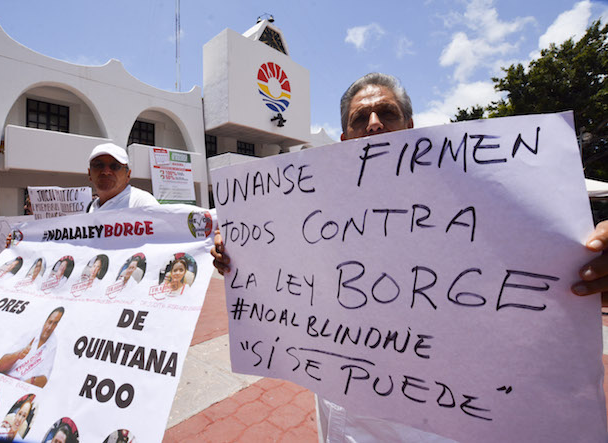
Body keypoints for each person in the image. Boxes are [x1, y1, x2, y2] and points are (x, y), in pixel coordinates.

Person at [211, 72, 608, 442]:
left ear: (409, 126)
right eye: (359, 118)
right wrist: (238, 258)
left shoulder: (474, 201)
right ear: (346, 138)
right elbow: (278, 269)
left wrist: (591, 265)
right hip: (343, 409)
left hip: (440, 413)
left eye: (387, 113)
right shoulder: (307, 212)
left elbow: (541, 265)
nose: (373, 123)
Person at [0, 307, 64, 387]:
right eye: (50, 322)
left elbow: (44, 378)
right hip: (4, 381)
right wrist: (17, 355)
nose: (50, 327)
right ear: (45, 321)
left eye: (55, 323)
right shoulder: (30, 332)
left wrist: (29, 382)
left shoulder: (53, 343)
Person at [87, 143, 158, 212]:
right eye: (98, 165)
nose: (106, 172)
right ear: (89, 173)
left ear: (128, 175)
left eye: (115, 166)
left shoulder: (141, 203)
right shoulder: (91, 208)